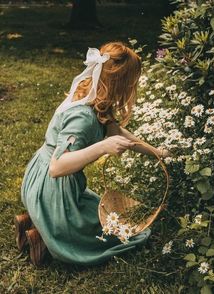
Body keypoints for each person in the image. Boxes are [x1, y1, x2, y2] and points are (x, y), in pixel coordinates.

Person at [15, 41, 170, 267]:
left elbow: (118, 132)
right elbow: (57, 168)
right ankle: (43, 236)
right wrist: (102, 147)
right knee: (124, 232)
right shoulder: (83, 118)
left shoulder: (92, 97)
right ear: (120, 83)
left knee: (111, 218)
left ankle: (34, 220)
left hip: (42, 181)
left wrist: (159, 153)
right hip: (53, 188)